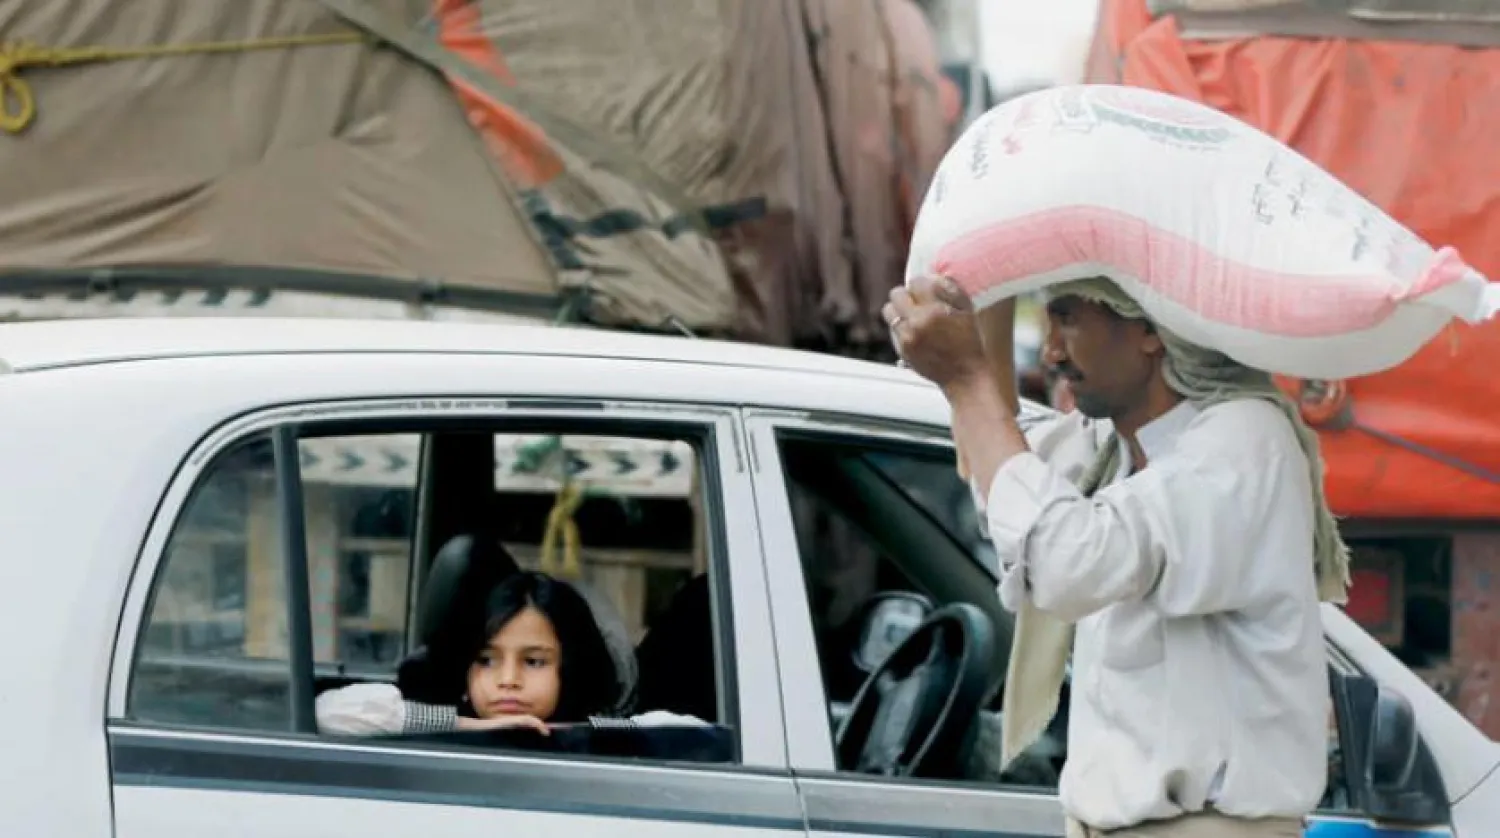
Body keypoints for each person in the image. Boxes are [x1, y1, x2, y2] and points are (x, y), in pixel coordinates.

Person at [884, 275, 1349, 837]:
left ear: (1150, 327)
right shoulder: (1107, 443)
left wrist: (967, 379)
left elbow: (1066, 564)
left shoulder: (1242, 440)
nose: (1052, 352)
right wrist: (986, 321)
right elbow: (1006, 488)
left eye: (1069, 318)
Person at [317, 570, 706, 735]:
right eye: (486, 660)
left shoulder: (596, 739)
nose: (507, 679)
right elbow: (330, 712)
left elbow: (689, 733)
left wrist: (584, 734)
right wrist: (471, 727)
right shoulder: (442, 731)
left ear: (567, 669)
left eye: (534, 661)